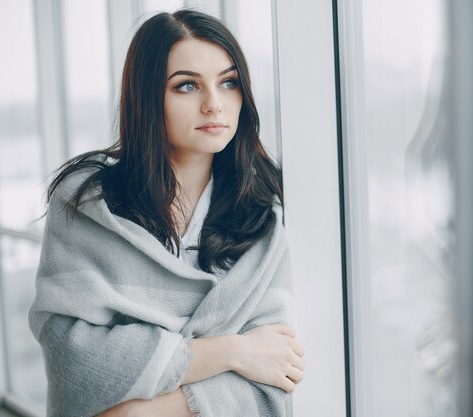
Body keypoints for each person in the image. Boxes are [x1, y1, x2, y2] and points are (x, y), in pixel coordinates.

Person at [28, 9, 304, 417]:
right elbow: (75, 362)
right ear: (147, 97)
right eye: (187, 86)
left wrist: (138, 410)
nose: (214, 105)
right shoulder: (87, 205)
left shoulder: (261, 215)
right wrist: (231, 350)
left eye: (228, 83)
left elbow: (274, 373)